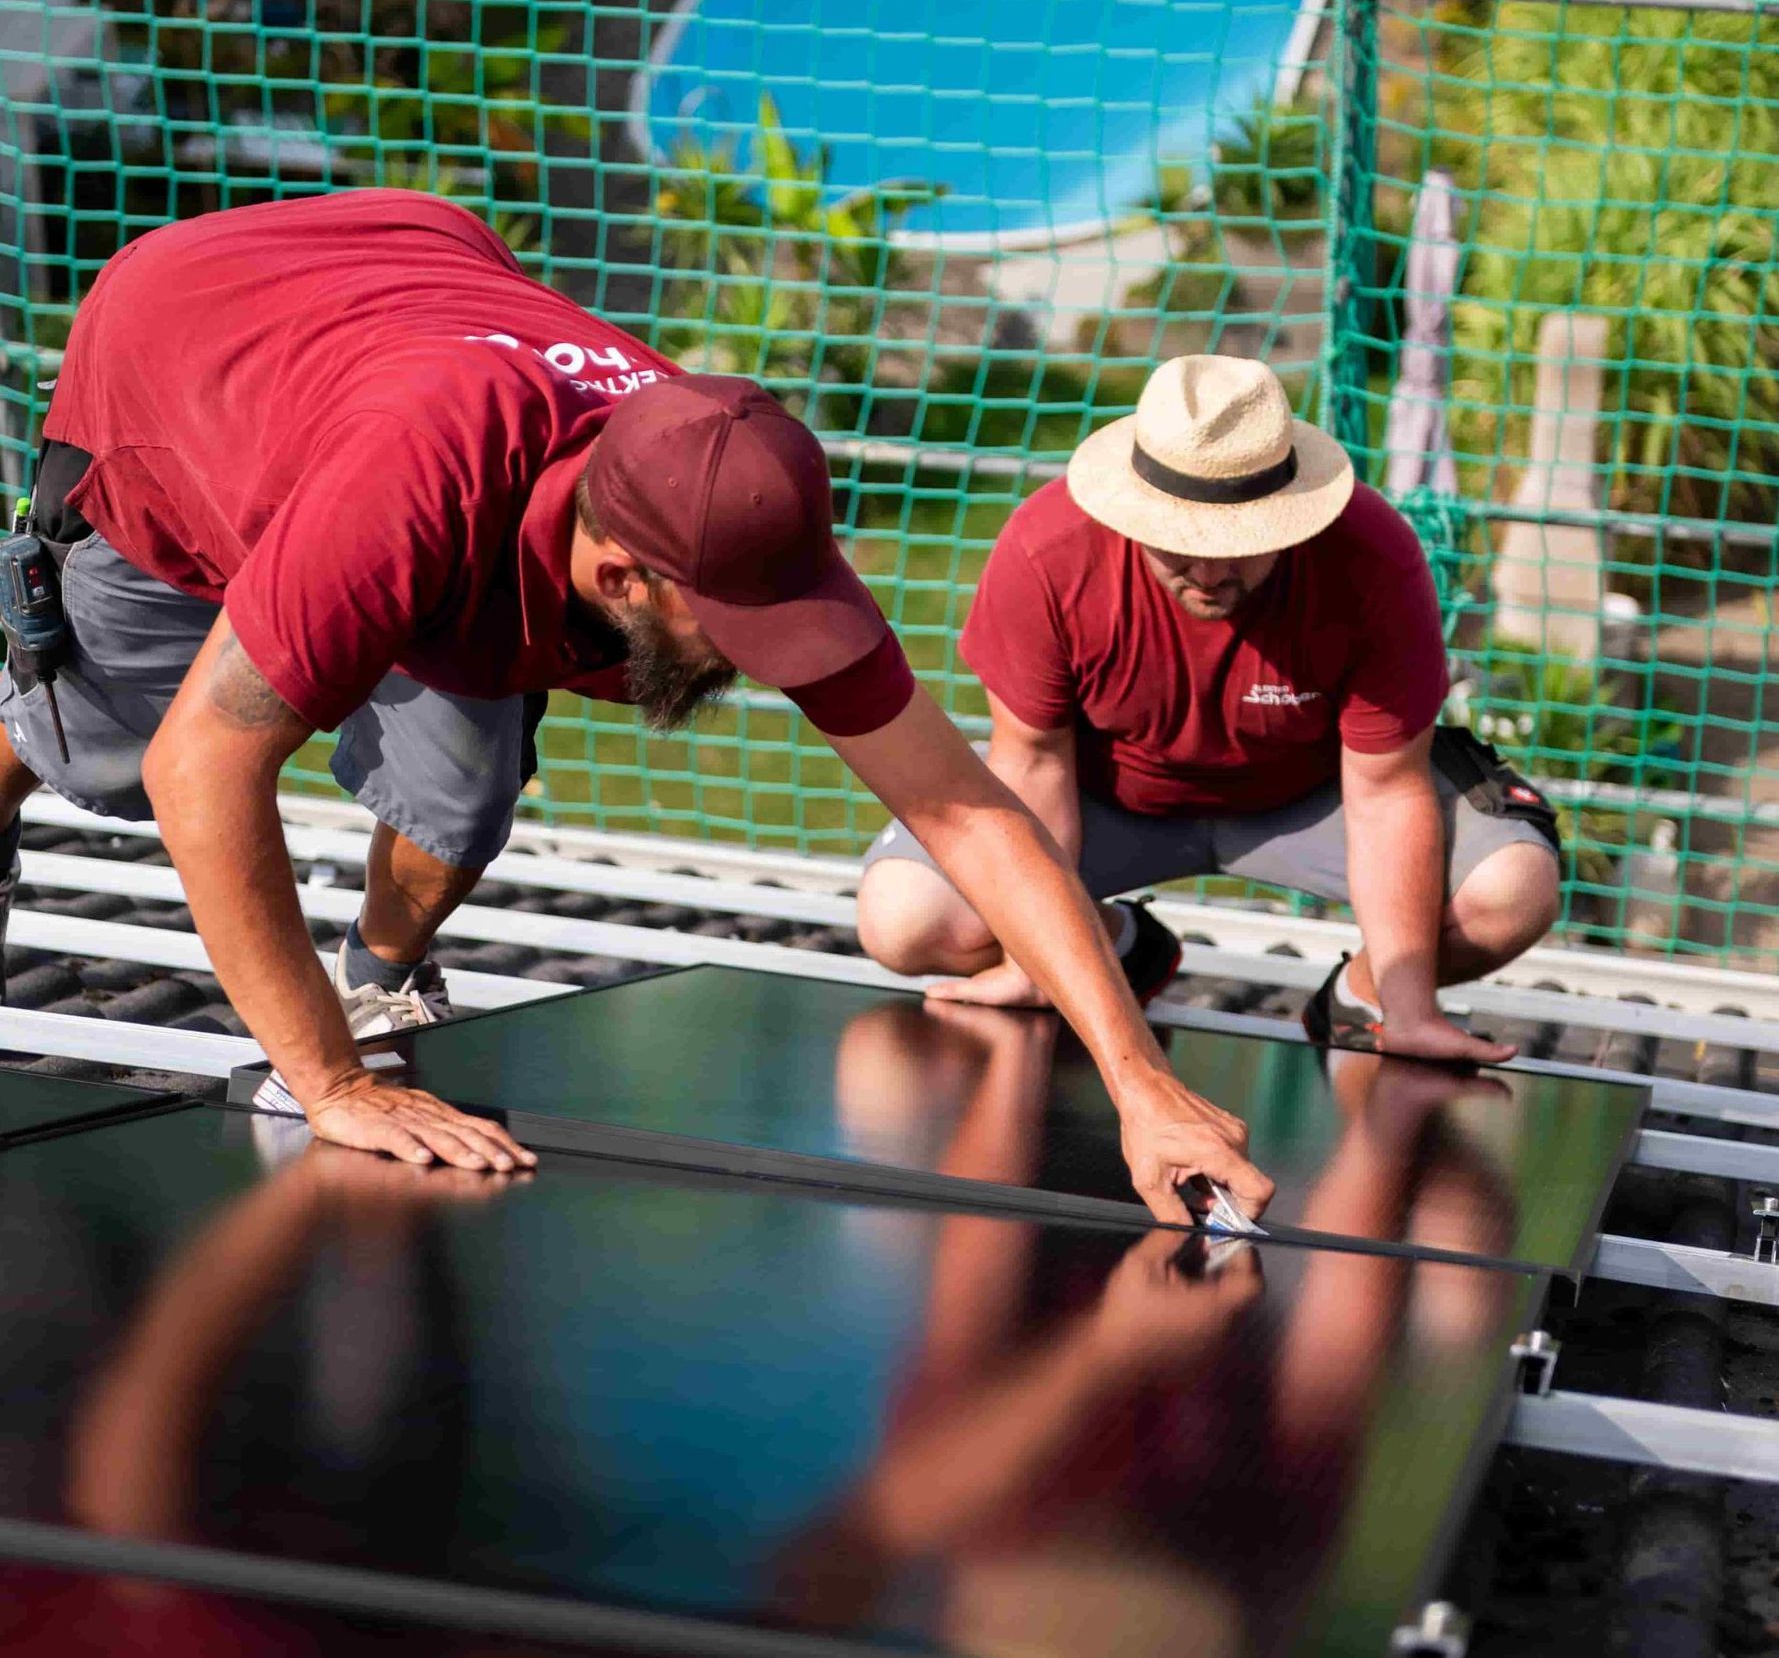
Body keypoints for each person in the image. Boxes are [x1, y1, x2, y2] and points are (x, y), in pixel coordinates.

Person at [0, 191, 1269, 1221]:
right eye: (746, 636)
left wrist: (1139, 1082)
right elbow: (202, 772)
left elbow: (969, 811)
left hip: (418, 281)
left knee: (462, 797)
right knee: (100, 748)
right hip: (195, 346)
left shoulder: (728, 503)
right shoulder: (406, 495)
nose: (775, 662)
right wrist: (322, 1079)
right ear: (620, 578)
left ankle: (381, 982)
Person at [858, 353, 1562, 1062]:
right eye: (1183, 544)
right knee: (904, 923)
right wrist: (1031, 962)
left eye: (1241, 545)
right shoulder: (1048, 552)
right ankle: (1115, 951)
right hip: (1104, 799)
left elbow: (1386, 791)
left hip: (1316, 801)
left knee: (1511, 892)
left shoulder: (1371, 557)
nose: (1211, 571)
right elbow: (1034, 764)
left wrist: (1410, 1008)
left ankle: (1363, 999)